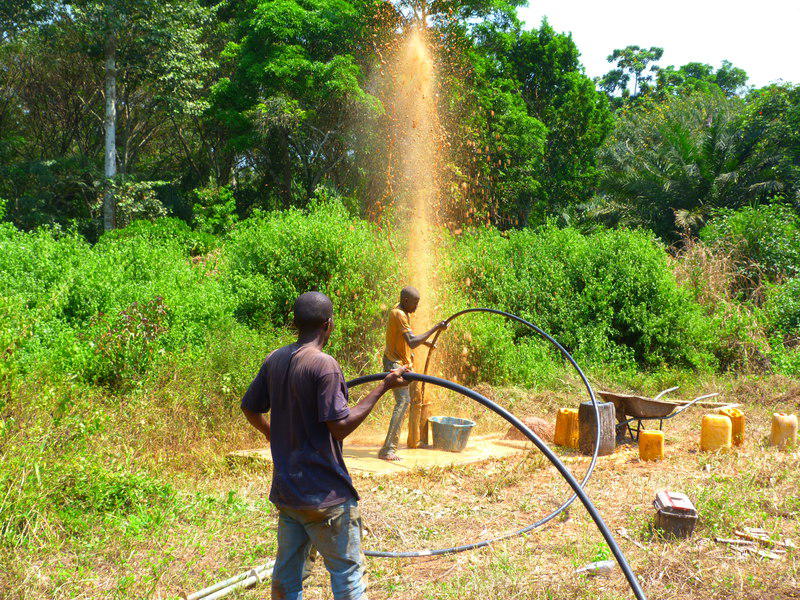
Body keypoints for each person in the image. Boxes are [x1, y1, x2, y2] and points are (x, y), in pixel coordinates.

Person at [241, 291, 408, 600]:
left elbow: (249, 407)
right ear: (328, 325)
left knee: (287, 578)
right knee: (347, 576)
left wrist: (271, 433)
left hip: (289, 494)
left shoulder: (275, 359)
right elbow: (341, 426)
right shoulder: (324, 365)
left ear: (296, 324)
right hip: (326, 499)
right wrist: (384, 386)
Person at [378, 286, 447, 461]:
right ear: (406, 301)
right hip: (395, 365)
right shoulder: (398, 314)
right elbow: (412, 342)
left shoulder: (403, 311)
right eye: (415, 303)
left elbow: (406, 337)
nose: (417, 307)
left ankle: (413, 441)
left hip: (405, 364)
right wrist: (435, 328)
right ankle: (387, 450)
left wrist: (427, 343)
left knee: (416, 399)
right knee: (403, 401)